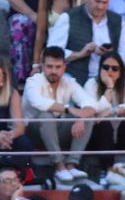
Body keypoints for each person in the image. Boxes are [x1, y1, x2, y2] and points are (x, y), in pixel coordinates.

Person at [23, 45, 95, 182]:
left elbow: (91, 103)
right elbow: (38, 102)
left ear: (64, 67)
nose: (53, 71)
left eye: (58, 67)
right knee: (46, 115)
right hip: (33, 132)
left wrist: (82, 117)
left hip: (58, 131)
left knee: (88, 115)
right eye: (49, 66)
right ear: (42, 66)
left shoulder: (69, 82)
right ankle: (59, 166)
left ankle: (72, 164)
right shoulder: (33, 81)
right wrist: (69, 109)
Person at [81, 49, 125, 175]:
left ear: (121, 71)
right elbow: (93, 112)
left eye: (115, 68)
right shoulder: (91, 84)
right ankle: (107, 170)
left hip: (120, 135)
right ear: (100, 68)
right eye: (106, 67)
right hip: (97, 136)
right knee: (104, 124)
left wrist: (112, 110)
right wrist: (109, 88)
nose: (110, 71)